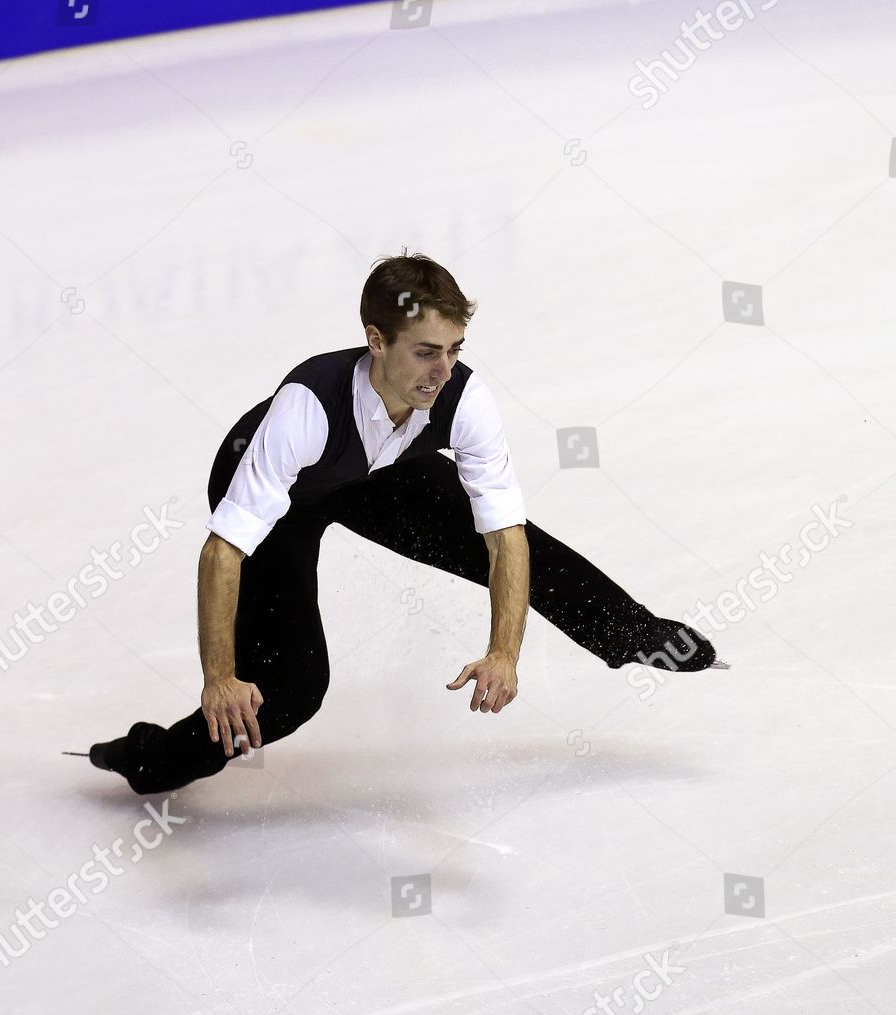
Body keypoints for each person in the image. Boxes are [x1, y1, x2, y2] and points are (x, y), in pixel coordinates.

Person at [85, 252, 724, 795]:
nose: (442, 371)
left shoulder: (461, 397)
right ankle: (149, 758)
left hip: (382, 473)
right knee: (288, 690)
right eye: (424, 352)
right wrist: (219, 679)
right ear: (376, 340)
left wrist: (504, 652)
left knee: (520, 541)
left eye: (453, 350)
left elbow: (505, 538)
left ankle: (635, 636)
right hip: (289, 497)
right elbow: (221, 554)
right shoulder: (304, 410)